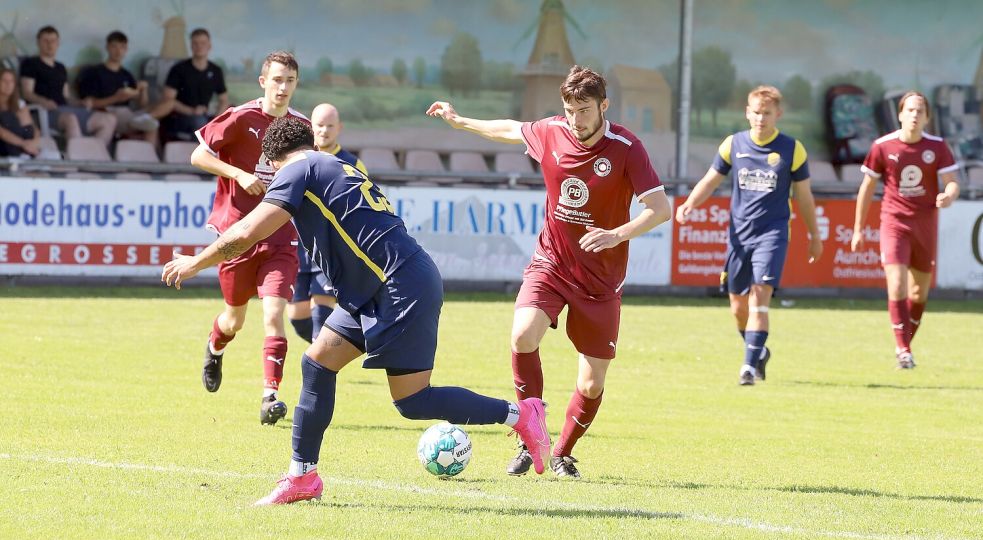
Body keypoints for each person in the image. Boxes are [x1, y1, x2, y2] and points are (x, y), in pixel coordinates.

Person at [162, 117, 551, 505]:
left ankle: (521, 415)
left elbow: (247, 233)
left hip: (399, 287)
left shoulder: (297, 171)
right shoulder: (334, 165)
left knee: (413, 401)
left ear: (272, 159)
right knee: (317, 364)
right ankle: (302, 476)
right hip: (379, 286)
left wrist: (196, 262)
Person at [427, 65, 671, 479]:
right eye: (570, 109)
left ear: (604, 105)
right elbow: (508, 129)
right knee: (522, 334)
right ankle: (530, 436)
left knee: (592, 383)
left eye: (585, 109)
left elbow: (660, 210)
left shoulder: (627, 147)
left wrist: (616, 234)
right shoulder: (552, 131)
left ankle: (562, 452)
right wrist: (460, 120)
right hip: (552, 264)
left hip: (600, 280)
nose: (576, 119)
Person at [189, 51, 309, 426]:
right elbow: (198, 155)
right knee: (234, 320)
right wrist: (237, 174)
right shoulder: (242, 117)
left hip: (281, 234)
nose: (283, 87)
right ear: (263, 82)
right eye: (277, 80)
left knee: (274, 314)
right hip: (238, 234)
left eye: (289, 80)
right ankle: (214, 346)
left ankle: (269, 395)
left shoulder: (300, 128)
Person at [675, 85, 823, 386]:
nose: (761, 118)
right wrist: (690, 203)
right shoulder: (734, 144)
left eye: (767, 113)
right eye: (756, 112)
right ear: (747, 112)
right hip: (739, 236)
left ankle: (748, 367)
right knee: (738, 307)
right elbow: (711, 179)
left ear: (777, 115)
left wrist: (814, 235)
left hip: (773, 233)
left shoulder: (792, 149)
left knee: (759, 297)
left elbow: (804, 197)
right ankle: (758, 351)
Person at [850, 91, 960, 370]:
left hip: (924, 225)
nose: (914, 115)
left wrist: (948, 195)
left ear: (927, 117)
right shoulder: (882, 146)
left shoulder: (937, 147)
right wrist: (858, 229)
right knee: (896, 283)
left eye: (919, 111)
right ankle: (903, 349)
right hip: (894, 222)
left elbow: (952, 182)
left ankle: (905, 346)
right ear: (900, 114)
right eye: (909, 110)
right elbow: (867, 188)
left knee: (918, 295)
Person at [287, 103, 367, 343]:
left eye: (329, 125)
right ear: (310, 127)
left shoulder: (352, 163)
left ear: (339, 128)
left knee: (321, 313)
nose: (323, 131)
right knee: (298, 318)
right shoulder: (297, 159)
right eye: (319, 125)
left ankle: (320, 369)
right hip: (298, 246)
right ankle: (320, 353)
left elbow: (361, 206)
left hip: (330, 247)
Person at [19, 25, 116, 145]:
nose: (50, 44)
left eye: (53, 41)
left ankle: (93, 156)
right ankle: (77, 159)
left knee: (109, 120)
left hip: (65, 109)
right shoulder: (31, 63)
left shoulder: (61, 67)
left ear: (58, 43)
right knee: (71, 119)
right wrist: (43, 101)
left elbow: (66, 96)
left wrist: (80, 102)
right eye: (45, 41)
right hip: (43, 112)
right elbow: (27, 92)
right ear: (38, 43)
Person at [76, 30, 160, 142]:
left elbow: (142, 104)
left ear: (126, 50)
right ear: (107, 47)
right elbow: (90, 103)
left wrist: (143, 90)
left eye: (122, 47)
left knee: (153, 121)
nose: (118, 51)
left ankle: (150, 157)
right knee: (146, 125)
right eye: (114, 47)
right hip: (107, 112)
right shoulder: (94, 72)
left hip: (127, 112)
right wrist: (117, 97)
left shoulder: (126, 74)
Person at [157, 28, 229, 141]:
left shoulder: (216, 70)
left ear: (209, 46)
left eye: (203, 43)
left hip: (205, 115)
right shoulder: (179, 69)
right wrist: (192, 111)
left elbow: (224, 99)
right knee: (200, 123)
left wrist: (216, 119)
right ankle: (200, 157)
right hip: (179, 116)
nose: (199, 46)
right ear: (191, 46)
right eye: (195, 43)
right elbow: (168, 100)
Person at [0, 68, 41, 158]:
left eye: (11, 81)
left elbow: (33, 128)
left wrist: (34, 142)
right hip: (7, 148)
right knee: (8, 120)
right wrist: (23, 144)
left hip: (27, 147)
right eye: (4, 81)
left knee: (26, 126)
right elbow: (2, 133)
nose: (8, 84)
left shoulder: (19, 103)